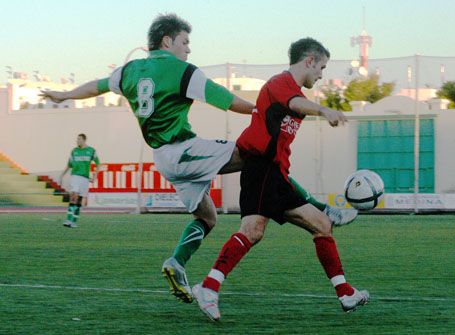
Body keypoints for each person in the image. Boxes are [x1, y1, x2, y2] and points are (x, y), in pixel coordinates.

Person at [40, 14, 356, 303]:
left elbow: (95, 86)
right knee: (258, 154)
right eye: (185, 42)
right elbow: (224, 99)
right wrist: (263, 108)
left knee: (208, 218)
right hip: (183, 148)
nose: (188, 50)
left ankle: (176, 262)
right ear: (167, 41)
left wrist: (64, 95)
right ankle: (322, 209)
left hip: (163, 158)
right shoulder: (181, 70)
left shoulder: (129, 70)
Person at [192, 38, 369, 321]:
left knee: (321, 225)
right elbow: (296, 103)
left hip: (273, 174)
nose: (321, 74)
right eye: (321, 67)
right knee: (253, 230)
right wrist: (323, 110)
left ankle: (346, 293)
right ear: (309, 60)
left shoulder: (290, 89)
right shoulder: (280, 83)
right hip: (262, 169)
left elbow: (295, 105)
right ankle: (208, 287)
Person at [60, 133, 99, 228]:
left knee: (80, 199)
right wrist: (62, 175)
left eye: (79, 139)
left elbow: (98, 164)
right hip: (75, 176)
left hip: (85, 178)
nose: (77, 141)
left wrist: (94, 177)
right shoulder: (74, 151)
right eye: (77, 139)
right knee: (74, 195)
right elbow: (69, 165)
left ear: (84, 140)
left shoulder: (91, 151)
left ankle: (74, 221)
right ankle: (68, 219)